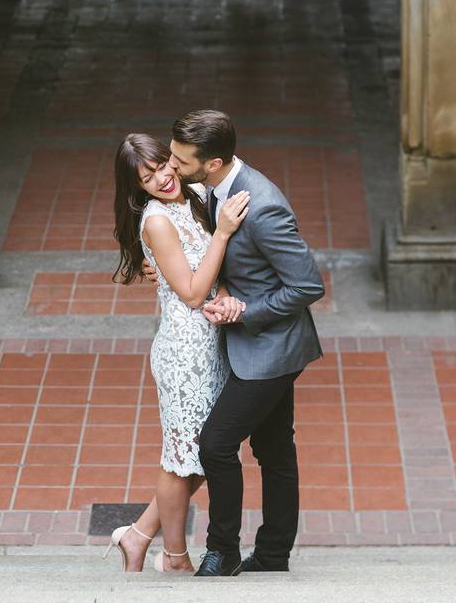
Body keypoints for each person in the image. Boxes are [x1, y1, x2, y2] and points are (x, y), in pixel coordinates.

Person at [144, 110, 324, 576]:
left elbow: (307, 286)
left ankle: (221, 552)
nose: (172, 168)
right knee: (275, 450)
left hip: (272, 347)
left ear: (213, 163)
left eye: (181, 162)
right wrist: (155, 268)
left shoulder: (262, 205)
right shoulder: (209, 190)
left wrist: (245, 310)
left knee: (216, 444)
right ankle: (272, 556)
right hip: (247, 344)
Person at [106, 133, 249, 572]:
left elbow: (231, 164)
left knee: (206, 455)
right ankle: (174, 557)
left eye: (164, 166)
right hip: (184, 353)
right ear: (137, 188)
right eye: (148, 178)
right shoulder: (155, 221)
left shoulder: (198, 194)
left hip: (215, 346)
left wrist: (223, 288)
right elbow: (190, 292)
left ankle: (137, 536)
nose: (163, 179)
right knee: (180, 459)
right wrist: (222, 233)